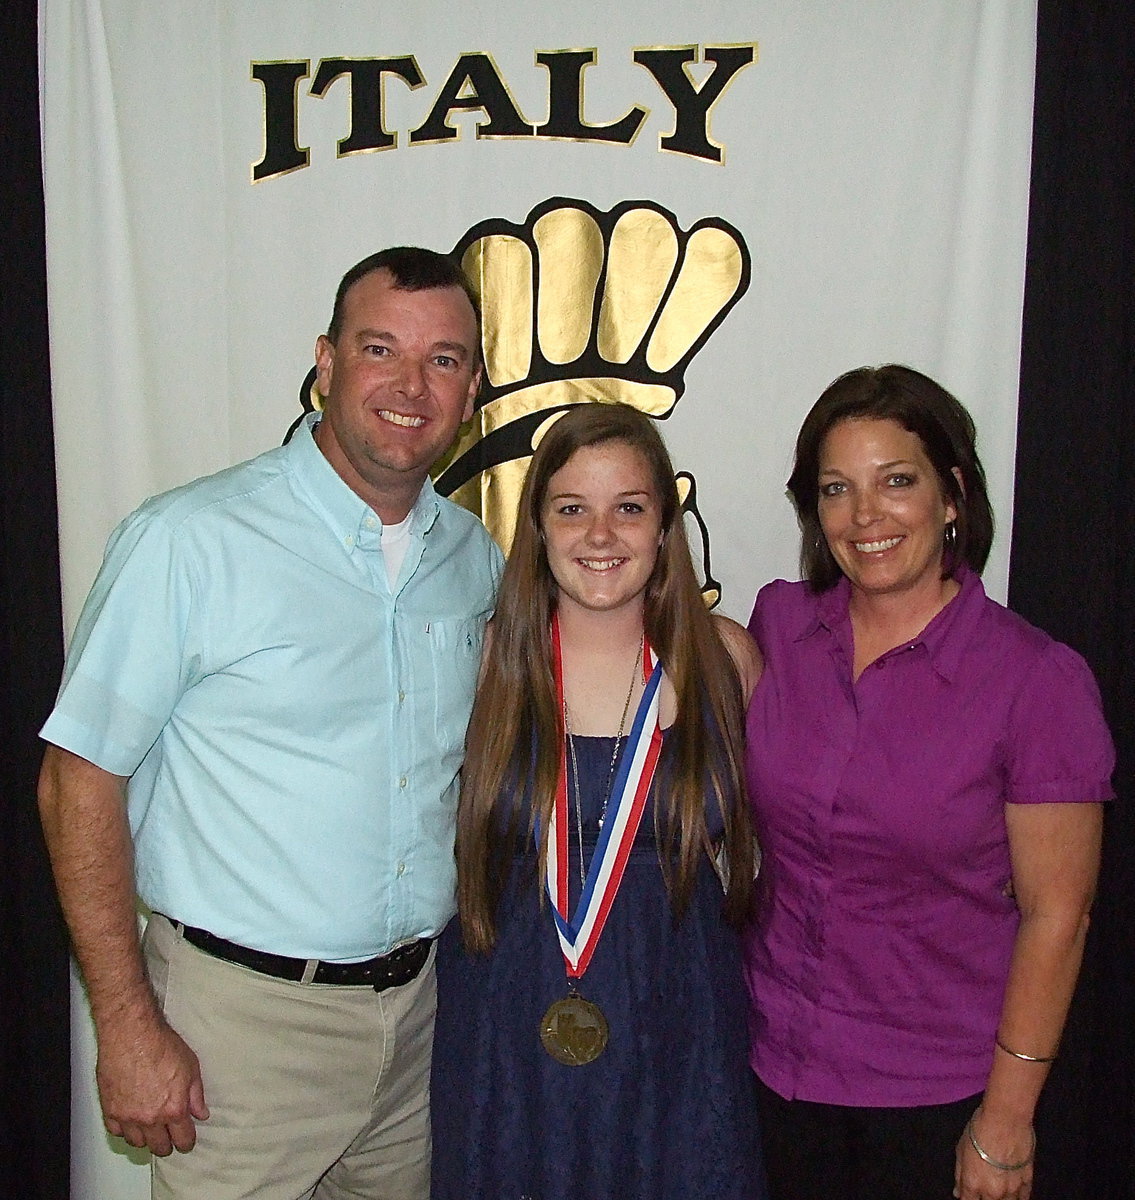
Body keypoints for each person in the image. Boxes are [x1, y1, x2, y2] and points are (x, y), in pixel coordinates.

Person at [37, 246, 503, 1200]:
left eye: (444, 359)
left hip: (419, 1022)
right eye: (381, 350)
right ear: (326, 363)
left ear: (473, 388)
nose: (411, 385)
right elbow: (75, 779)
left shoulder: (472, 557)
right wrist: (127, 1027)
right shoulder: (191, 540)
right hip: (240, 1036)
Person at [743, 364, 1114, 1200]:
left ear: (951, 496)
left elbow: (1058, 915)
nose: (864, 515)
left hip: (935, 1102)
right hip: (768, 1072)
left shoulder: (1035, 681)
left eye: (895, 482)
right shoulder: (779, 625)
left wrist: (1007, 1120)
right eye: (836, 489)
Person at [430, 402, 768, 1200]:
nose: (601, 535)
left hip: (679, 1021)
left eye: (629, 508)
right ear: (539, 527)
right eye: (571, 508)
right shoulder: (484, 665)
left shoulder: (727, 660)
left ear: (664, 527)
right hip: (506, 1026)